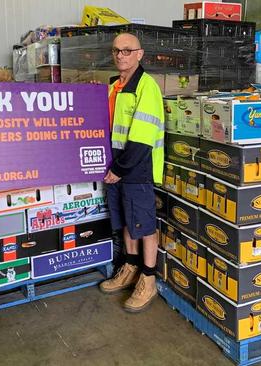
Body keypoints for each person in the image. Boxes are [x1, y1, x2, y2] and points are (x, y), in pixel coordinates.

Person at [99, 33, 164, 313]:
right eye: (116, 50)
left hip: (136, 169)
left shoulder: (146, 87)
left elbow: (141, 139)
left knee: (145, 225)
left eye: (127, 50)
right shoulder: (114, 86)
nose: (120, 55)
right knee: (127, 221)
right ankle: (130, 268)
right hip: (115, 167)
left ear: (139, 54)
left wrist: (119, 169)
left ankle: (148, 280)